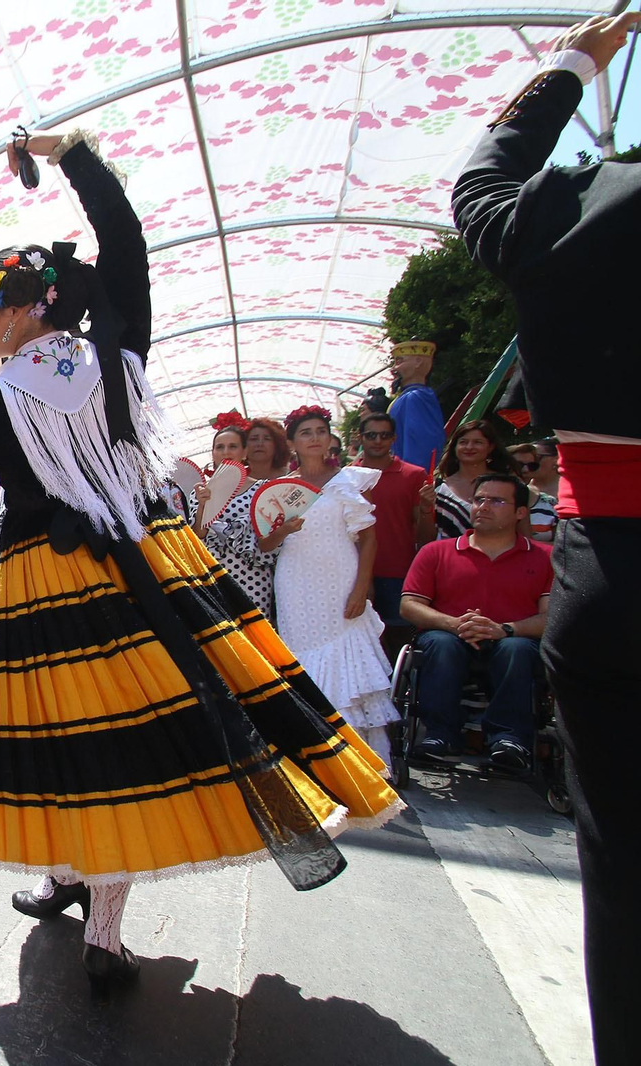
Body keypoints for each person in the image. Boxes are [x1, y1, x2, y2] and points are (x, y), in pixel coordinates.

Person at [0, 129, 399, 996]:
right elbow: (128, 249)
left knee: (73, 748)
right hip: (152, 564)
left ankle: (86, 904)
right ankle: (87, 907)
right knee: (137, 748)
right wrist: (76, 160)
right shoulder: (116, 359)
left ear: (23, 308)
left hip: (47, 594)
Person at [452, 15, 641, 1060]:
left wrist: (571, 65)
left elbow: (481, 182)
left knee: (619, 868)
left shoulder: (581, 206)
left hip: (605, 568)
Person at [271, 405, 399, 764]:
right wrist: (282, 530)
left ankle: (362, 760)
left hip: (340, 578)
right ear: (293, 442)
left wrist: (361, 588)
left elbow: (369, 540)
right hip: (295, 581)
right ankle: (314, 756)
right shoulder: (278, 488)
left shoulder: (351, 480)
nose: (314, 438)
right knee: (300, 657)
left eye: (320, 431)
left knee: (348, 655)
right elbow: (265, 543)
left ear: (330, 438)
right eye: (306, 433)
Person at [401, 474, 551, 769]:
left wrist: (505, 629)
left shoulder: (545, 557)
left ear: (521, 512)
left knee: (517, 649)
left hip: (512, 638)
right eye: (479, 499)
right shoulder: (437, 551)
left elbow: (551, 617)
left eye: (496, 501)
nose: (483, 506)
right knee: (441, 644)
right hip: (449, 635)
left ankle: (509, 739)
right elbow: (409, 605)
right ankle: (440, 735)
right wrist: (455, 624)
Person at [191, 423, 293, 623]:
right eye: (219, 447)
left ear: (244, 452)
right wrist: (203, 505)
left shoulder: (263, 489)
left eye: (233, 446)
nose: (225, 452)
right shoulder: (199, 492)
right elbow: (198, 535)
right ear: (212, 453)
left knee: (257, 637)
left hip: (253, 576)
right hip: (212, 577)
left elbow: (269, 537)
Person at [355, 412, 436, 626]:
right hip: (353, 571)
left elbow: (425, 537)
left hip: (398, 573)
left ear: (394, 439)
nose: (378, 441)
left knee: (398, 638)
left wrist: (428, 510)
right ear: (360, 437)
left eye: (385, 435)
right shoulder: (345, 476)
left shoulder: (414, 475)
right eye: (371, 435)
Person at [433, 419, 515, 540]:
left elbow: (522, 531)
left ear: (490, 447)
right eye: (463, 442)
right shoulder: (438, 488)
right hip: (451, 555)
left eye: (478, 442)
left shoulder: (509, 485)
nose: (469, 447)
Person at [387, 340, 447, 469]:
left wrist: (410, 479)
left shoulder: (416, 397)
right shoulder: (408, 397)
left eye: (399, 362)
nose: (394, 369)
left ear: (418, 362)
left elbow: (420, 447)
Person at [507, 442, 558, 543]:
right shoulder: (487, 500)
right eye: (519, 465)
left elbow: (561, 547)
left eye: (532, 466)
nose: (526, 470)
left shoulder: (550, 503)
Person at [243, 416, 290, 482]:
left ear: (277, 445)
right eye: (254, 439)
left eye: (267, 439)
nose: (260, 444)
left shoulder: (289, 476)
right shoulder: (235, 478)